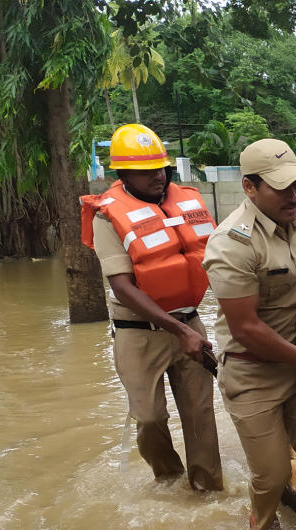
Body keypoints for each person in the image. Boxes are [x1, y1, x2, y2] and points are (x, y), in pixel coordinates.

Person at [202, 139, 296, 530]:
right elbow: (246, 328)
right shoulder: (231, 244)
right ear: (249, 187)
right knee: (272, 474)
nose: (294, 195)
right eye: (281, 187)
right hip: (253, 372)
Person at [80, 123, 222, 492]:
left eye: (160, 168)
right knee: (149, 419)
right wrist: (179, 332)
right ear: (123, 174)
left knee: (200, 415)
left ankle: (207, 491)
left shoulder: (188, 202)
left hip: (189, 321)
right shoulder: (106, 217)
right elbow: (123, 288)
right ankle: (169, 480)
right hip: (138, 334)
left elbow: (217, 262)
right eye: (146, 172)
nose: (157, 177)